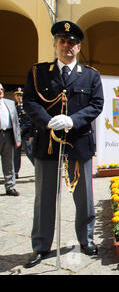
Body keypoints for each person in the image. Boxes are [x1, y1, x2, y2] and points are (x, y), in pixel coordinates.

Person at [23, 21, 104, 268]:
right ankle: (41, 246)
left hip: (78, 144)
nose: (67, 46)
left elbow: (96, 105)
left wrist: (72, 119)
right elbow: (29, 102)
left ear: (78, 47)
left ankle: (86, 239)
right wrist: (48, 122)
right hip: (48, 144)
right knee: (44, 197)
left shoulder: (91, 75)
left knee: (85, 197)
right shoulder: (39, 72)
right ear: (56, 44)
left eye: (72, 42)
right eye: (62, 41)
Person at [0, 83, 22, 196]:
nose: (0, 91)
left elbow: (16, 123)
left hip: (8, 134)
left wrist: (17, 138)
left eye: (1, 89)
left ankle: (10, 186)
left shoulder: (10, 103)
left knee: (9, 162)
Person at [13, 87, 34, 178]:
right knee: (15, 154)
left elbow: (30, 122)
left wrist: (21, 129)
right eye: (17, 95)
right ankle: (15, 173)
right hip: (16, 135)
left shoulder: (27, 107)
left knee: (29, 152)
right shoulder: (14, 107)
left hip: (25, 134)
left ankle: (37, 167)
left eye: (21, 95)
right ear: (15, 97)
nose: (19, 97)